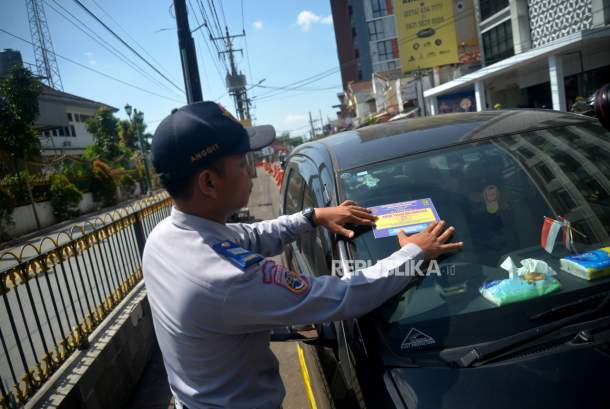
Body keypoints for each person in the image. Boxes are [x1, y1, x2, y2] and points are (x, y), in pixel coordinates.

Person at [142, 101, 463, 409]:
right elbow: (341, 296)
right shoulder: (224, 279)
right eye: (242, 164)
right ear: (209, 182)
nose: (252, 174)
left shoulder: (164, 239)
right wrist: (413, 252)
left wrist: (313, 217)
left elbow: (250, 236)